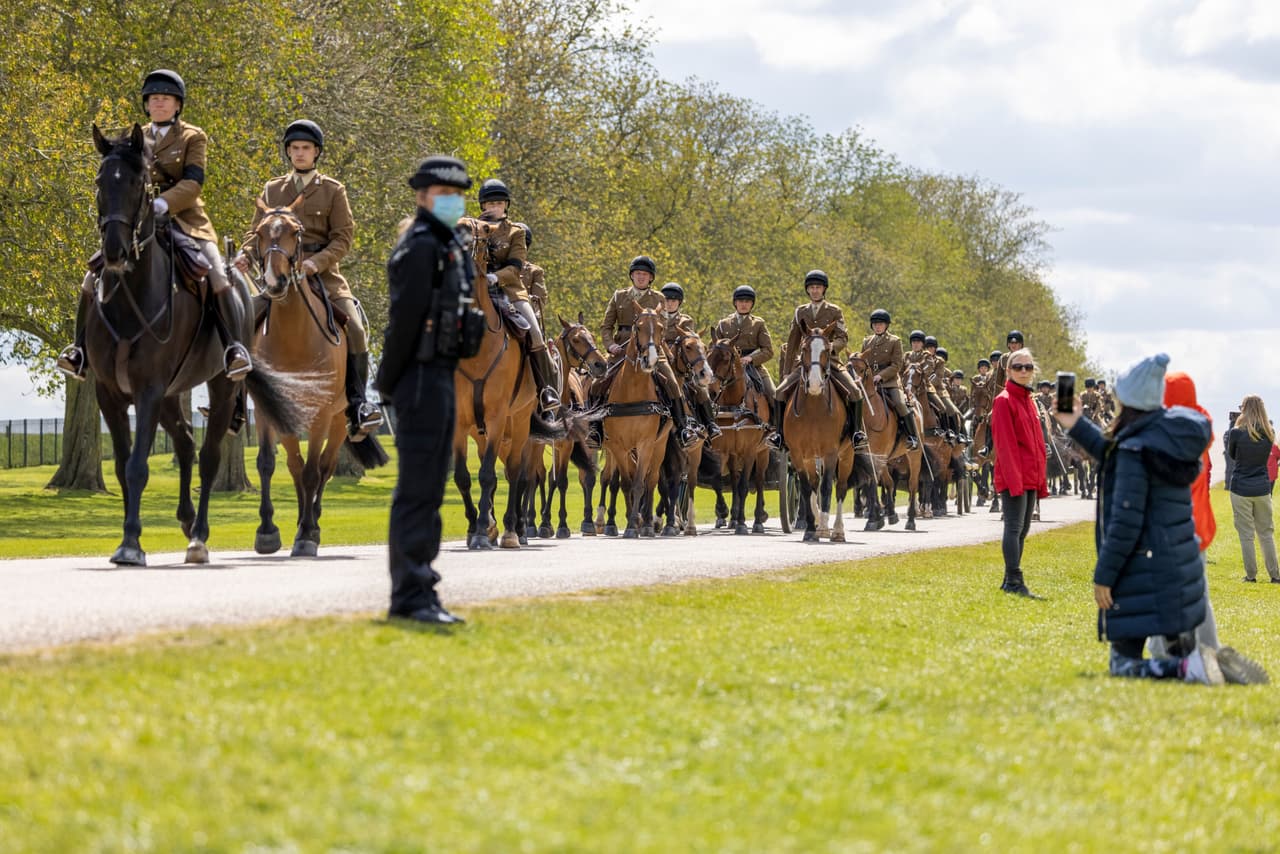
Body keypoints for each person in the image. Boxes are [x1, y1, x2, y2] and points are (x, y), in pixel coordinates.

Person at [58, 69, 252, 383]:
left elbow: (193, 184)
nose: (159, 104)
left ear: (178, 106)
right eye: (154, 99)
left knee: (217, 274)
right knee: (91, 276)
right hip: (138, 224)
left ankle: (233, 349)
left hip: (186, 221)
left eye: (166, 99)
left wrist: (163, 204)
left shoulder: (193, 136)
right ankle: (78, 350)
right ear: (147, 105)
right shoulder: (134, 138)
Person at [1056, 353, 1221, 683]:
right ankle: (1193, 660)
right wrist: (1075, 422)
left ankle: (1192, 669)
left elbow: (1125, 523)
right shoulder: (1159, 439)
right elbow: (1111, 450)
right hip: (1173, 570)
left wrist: (1104, 576)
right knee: (1176, 646)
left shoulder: (1134, 450)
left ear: (1129, 403)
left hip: (1143, 572)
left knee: (1123, 666)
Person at [373, 155, 475, 625]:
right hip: (417, 377)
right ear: (422, 196)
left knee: (433, 486)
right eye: (444, 194)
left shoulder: (447, 243)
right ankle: (408, 596)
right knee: (417, 488)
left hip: (442, 374)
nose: (453, 202)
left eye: (458, 195)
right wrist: (389, 384)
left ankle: (423, 587)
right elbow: (405, 322)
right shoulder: (419, 246)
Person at [234, 119, 381, 439]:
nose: (299, 153)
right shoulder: (272, 189)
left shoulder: (333, 190)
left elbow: (343, 238)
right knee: (240, 318)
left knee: (355, 329)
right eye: (294, 149)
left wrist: (316, 262)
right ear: (288, 152)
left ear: (316, 153)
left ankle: (358, 404)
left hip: (324, 277)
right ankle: (235, 404)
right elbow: (255, 232)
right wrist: (246, 253)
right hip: (280, 278)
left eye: (306, 149)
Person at [466, 179, 560, 420]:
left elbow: (516, 268)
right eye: (489, 203)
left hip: (508, 290)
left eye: (498, 203)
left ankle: (546, 391)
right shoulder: (469, 226)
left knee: (535, 333)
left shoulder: (516, 232)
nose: (494, 207)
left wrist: (494, 278)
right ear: (482, 204)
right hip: (474, 290)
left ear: (506, 206)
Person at [597, 256, 697, 447]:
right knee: (597, 382)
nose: (640, 277)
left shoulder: (659, 298)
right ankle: (594, 429)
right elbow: (606, 326)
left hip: (651, 347)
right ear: (632, 276)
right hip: (622, 349)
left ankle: (683, 428)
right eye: (637, 274)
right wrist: (610, 345)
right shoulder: (619, 295)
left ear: (650, 278)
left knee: (673, 384)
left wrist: (655, 346)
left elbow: (664, 326)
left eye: (644, 274)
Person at [989, 348, 1048, 597]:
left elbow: (1035, 443)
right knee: (1013, 528)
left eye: (1028, 367)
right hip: (1015, 476)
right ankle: (1014, 580)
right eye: (1018, 367)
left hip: (1030, 474)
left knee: (1023, 529)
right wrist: (1015, 481)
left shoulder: (1030, 400)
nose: (1024, 371)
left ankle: (1008, 580)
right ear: (1008, 371)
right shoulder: (1003, 400)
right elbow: (1005, 446)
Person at [714, 284, 783, 449]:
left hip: (754, 368)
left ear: (752, 304)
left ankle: (777, 432)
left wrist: (750, 359)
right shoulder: (723, 324)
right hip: (727, 369)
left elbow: (768, 351)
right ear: (735, 303)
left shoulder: (758, 324)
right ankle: (707, 427)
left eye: (747, 301)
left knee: (774, 395)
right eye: (740, 301)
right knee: (707, 393)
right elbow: (714, 349)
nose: (743, 304)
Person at [1225, 395, 1280, 583]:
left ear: (1245, 409)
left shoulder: (1236, 433)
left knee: (1246, 534)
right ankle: (1275, 575)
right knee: (1266, 533)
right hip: (1262, 487)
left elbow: (1232, 456)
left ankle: (1251, 575)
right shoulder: (1269, 431)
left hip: (1240, 487)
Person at [660, 282, 720, 439]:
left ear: (679, 302)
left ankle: (710, 424)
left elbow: (689, 343)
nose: (670, 303)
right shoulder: (655, 318)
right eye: (667, 300)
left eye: (674, 300)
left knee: (700, 387)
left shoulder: (686, 321)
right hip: (658, 360)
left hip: (680, 364)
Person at [857, 309, 918, 449]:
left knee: (899, 403)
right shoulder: (867, 341)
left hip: (889, 382)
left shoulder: (894, 341)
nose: (877, 326)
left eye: (881, 324)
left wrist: (881, 376)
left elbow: (897, 365)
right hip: (869, 382)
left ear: (886, 325)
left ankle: (912, 436)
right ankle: (855, 433)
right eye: (875, 324)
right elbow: (862, 361)